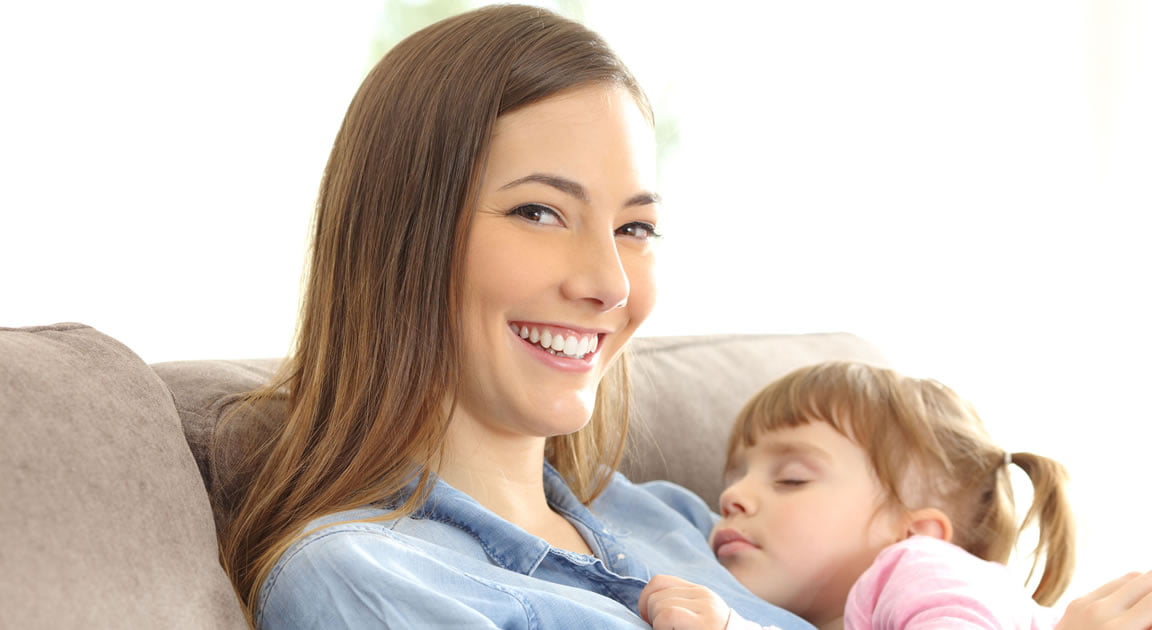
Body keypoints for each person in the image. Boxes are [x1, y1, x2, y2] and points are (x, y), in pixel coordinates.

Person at [219, 5, 808, 629]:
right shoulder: (359, 579)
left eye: (635, 227)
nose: (609, 284)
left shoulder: (675, 519)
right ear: (401, 237)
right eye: (538, 212)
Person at [638, 362, 1152, 630]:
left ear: (913, 530)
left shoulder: (922, 571)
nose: (734, 496)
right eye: (733, 477)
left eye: (791, 478)